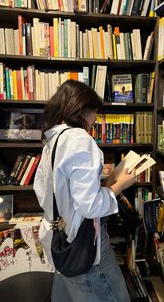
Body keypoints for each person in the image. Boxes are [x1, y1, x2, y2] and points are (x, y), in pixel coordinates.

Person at [33, 79, 136, 302]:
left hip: (59, 239)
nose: (95, 118)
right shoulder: (80, 139)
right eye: (93, 111)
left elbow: (48, 191)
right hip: (84, 245)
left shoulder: (53, 140)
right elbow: (89, 206)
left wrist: (105, 184)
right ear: (81, 109)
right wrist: (120, 185)